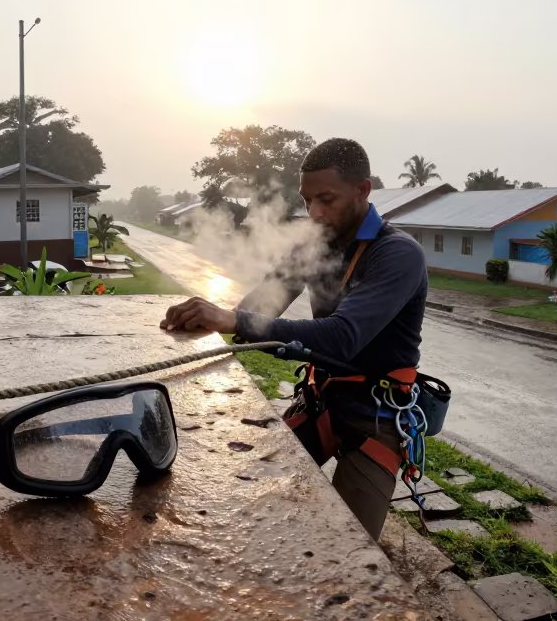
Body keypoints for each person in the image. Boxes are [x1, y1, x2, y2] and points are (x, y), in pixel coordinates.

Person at [161, 138, 428, 538]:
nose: (314, 213)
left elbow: (341, 338)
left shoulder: (397, 254)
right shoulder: (312, 244)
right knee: (254, 499)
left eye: (326, 199)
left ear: (363, 190)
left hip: (376, 414)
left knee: (351, 545)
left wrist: (232, 319)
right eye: (306, 201)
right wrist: (205, 322)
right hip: (323, 399)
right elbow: (263, 305)